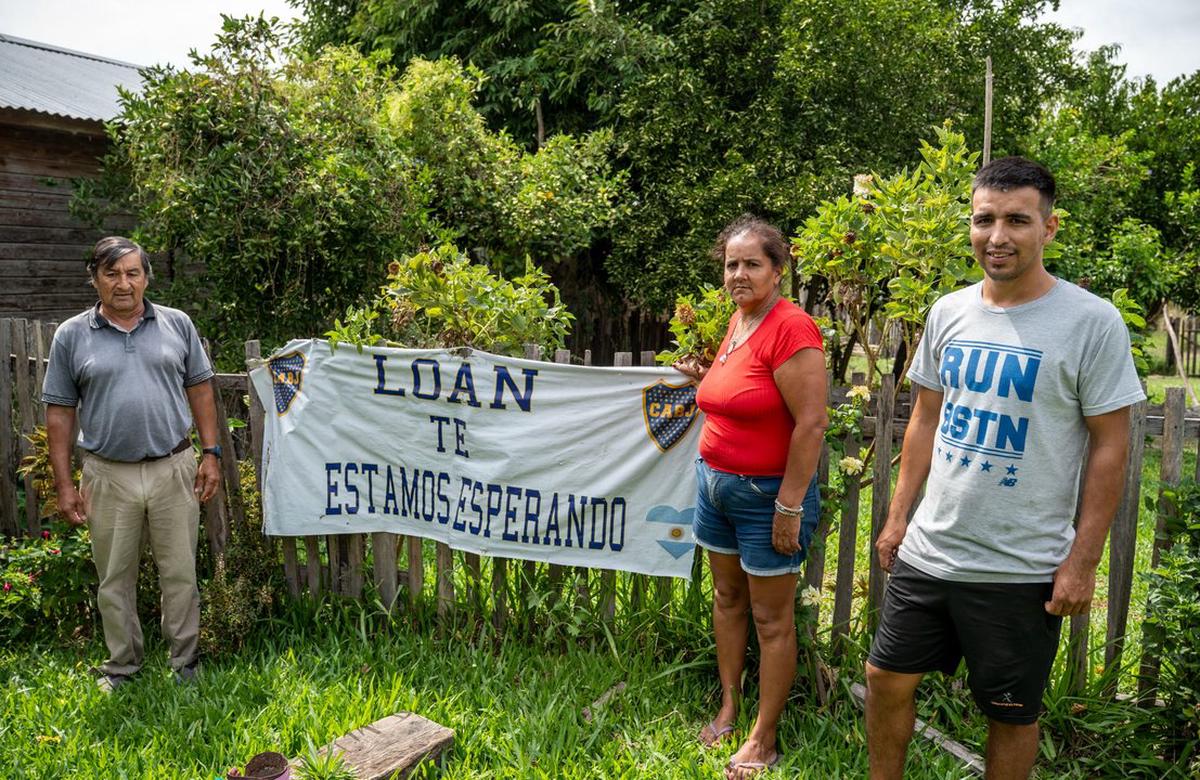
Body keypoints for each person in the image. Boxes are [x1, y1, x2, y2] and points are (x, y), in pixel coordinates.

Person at [865, 157, 1144, 779]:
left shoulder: (1091, 322)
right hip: (931, 551)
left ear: (1049, 227)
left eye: (1017, 220)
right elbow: (925, 419)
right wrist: (898, 517)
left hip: (1021, 565)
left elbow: (1111, 447)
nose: (997, 236)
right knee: (884, 678)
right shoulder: (948, 311)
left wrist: (1082, 562)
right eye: (984, 219)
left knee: (1011, 714)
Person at [676, 214, 827, 779]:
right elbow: (749, 396)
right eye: (731, 264)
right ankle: (730, 706)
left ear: (778, 270)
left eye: (752, 264)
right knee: (727, 599)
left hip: (767, 496)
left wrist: (789, 505)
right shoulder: (740, 320)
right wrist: (705, 382)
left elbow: (811, 423)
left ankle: (763, 737)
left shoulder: (792, 328)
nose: (738, 274)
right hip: (715, 485)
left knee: (771, 618)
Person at [42, 236, 223, 692]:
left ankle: (185, 663)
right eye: (112, 273)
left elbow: (201, 390)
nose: (123, 283)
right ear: (95, 279)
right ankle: (122, 666)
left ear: (145, 278)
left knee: (179, 573)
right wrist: (64, 485)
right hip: (107, 473)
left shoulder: (177, 324)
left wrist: (211, 453)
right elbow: (60, 412)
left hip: (173, 467)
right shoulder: (72, 335)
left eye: (132, 273)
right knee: (114, 578)